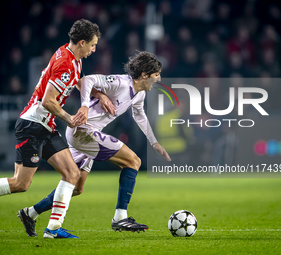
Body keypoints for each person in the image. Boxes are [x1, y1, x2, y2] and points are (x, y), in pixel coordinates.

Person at [0, 19, 101, 239]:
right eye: (92, 44)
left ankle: (52, 230)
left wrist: (96, 93)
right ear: (81, 42)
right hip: (33, 125)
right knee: (20, 183)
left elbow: (75, 81)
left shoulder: (72, 58)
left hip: (45, 126)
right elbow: (47, 101)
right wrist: (68, 118)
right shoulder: (65, 63)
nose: (94, 49)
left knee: (72, 174)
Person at [17, 51, 171, 237]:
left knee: (76, 187)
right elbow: (86, 80)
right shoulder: (121, 82)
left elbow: (139, 115)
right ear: (145, 75)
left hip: (87, 133)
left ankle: (30, 213)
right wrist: (85, 105)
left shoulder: (139, 94)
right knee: (133, 161)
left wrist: (154, 142)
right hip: (83, 131)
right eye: (156, 75)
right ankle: (120, 217)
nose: (159, 79)